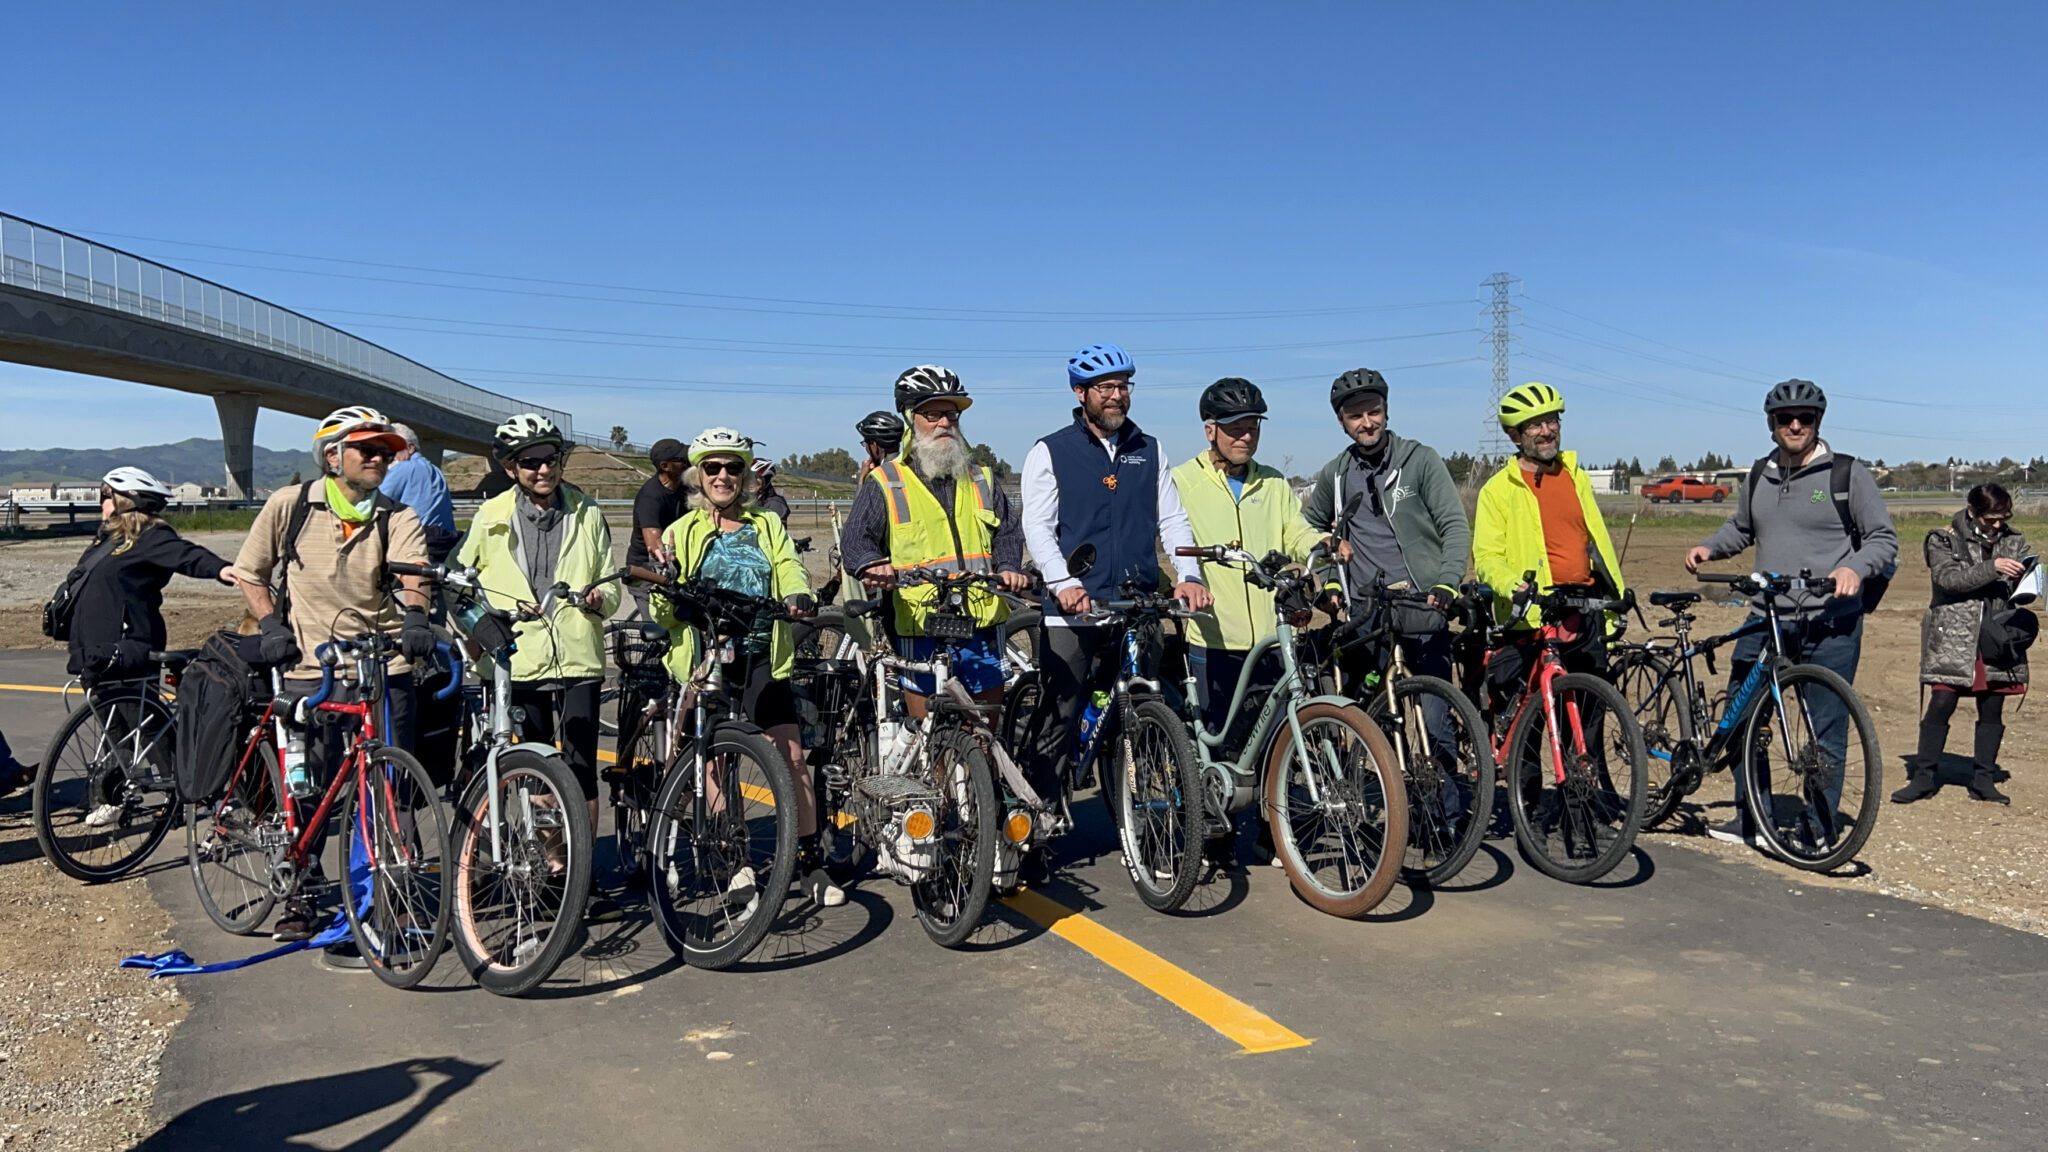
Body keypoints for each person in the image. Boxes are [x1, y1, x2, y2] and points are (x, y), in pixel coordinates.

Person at [234, 406, 433, 949]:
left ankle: (389, 898)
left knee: (390, 786)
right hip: (308, 667)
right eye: (367, 449)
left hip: (381, 666)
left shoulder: (398, 516)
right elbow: (250, 571)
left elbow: (415, 573)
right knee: (307, 788)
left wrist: (416, 616)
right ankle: (298, 889)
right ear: (332, 455)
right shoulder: (290, 505)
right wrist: (270, 624)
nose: (379, 459)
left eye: (386, 452)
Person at [1685, 378, 1897, 843]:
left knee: (1824, 729)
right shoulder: (1760, 474)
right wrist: (1710, 547)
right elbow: (1742, 528)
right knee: (1741, 716)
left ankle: (1818, 828)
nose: (1795, 425)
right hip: (1766, 617)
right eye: (1786, 418)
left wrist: (1854, 568)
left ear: (1818, 422)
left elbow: (1883, 539)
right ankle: (1752, 817)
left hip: (1829, 621)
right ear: (1772, 424)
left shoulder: (1846, 474)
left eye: (1805, 418)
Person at [1022, 343, 1211, 839]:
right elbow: (1037, 528)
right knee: (1060, 717)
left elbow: (1172, 520)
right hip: (1075, 611)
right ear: (1080, 393)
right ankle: (1035, 824)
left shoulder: (1149, 449)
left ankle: (1142, 814)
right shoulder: (1050, 451)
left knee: (1143, 708)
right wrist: (1063, 583)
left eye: (1123, 386)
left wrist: (1189, 576)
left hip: (1136, 605)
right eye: (1105, 387)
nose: (1116, 395)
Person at [651, 428, 837, 906]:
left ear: (745, 477)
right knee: (713, 762)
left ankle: (811, 863)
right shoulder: (681, 531)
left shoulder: (766, 524)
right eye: (712, 467)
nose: (723, 476)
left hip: (761, 656)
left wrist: (798, 593)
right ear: (698, 475)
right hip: (707, 659)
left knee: (791, 756)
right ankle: (735, 861)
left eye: (733, 468)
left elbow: (788, 566)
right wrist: (670, 595)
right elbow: (661, 609)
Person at [453, 414, 623, 919]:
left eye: (550, 458)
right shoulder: (491, 515)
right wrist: (481, 629)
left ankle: (576, 875)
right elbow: (460, 587)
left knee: (580, 771)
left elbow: (612, 583)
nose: (543, 469)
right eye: (530, 461)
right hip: (517, 660)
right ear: (511, 468)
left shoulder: (587, 511)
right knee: (531, 772)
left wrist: (601, 598)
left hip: (577, 657)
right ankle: (540, 868)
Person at [842, 366, 1029, 717]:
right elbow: (856, 537)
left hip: (983, 622)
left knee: (985, 734)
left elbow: (1007, 530)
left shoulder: (982, 477)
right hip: (920, 623)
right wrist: (871, 563)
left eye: (951, 414)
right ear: (910, 418)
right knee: (928, 733)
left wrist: (1008, 567)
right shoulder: (887, 480)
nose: (945, 422)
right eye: (933, 414)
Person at [1304, 367, 1472, 700]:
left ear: (1386, 411)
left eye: (1374, 412)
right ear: (1341, 421)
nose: (1367, 423)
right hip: (1365, 610)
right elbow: (1310, 530)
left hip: (1422, 602)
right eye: (1355, 416)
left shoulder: (1420, 460)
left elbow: (1453, 523)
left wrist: (1446, 582)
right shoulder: (1336, 473)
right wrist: (1332, 580)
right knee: (1370, 714)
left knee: (1436, 716)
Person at [1170, 378, 1323, 732]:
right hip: (1215, 638)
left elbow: (1296, 531)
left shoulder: (1273, 482)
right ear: (1210, 431)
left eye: (1253, 428)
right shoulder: (1181, 481)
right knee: (1219, 741)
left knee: (1276, 740)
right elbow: (1163, 536)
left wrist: (1321, 543)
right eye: (1235, 429)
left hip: (1273, 637)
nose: (1246, 437)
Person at [1471, 383, 1628, 705]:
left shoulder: (1576, 477)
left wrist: (1616, 596)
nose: (1546, 431)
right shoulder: (1497, 490)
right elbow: (1486, 557)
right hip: (1532, 613)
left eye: (1551, 421)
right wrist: (1513, 586)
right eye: (1534, 425)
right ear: (1515, 436)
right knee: (1530, 718)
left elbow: (1597, 545)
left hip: (1584, 610)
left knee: (1588, 718)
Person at [1894, 484, 2025, 805]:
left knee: (1993, 704)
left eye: (2003, 518)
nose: (1998, 525)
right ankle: (1923, 777)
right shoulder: (1942, 539)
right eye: (1991, 519)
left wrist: (2027, 581)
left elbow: (2017, 591)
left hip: (1997, 633)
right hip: (1954, 634)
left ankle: (1984, 780)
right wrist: (1993, 567)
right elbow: (1948, 580)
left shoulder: (2014, 540)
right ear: (1972, 511)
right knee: (1942, 701)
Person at [63, 468, 242, 685]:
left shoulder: (150, 538)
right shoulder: (109, 541)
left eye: (106, 496)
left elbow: (185, 554)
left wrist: (220, 568)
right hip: (93, 649)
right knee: (104, 706)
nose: (101, 503)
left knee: (132, 706)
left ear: (125, 502)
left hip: (125, 646)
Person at [627, 438, 690, 619]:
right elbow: (655, 547)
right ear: (665, 466)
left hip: (675, 568)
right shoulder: (651, 497)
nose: (688, 463)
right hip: (646, 572)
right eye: (683, 460)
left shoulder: (684, 488)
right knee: (658, 627)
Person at [379, 424, 459, 562]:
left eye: (393, 448)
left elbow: (375, 501)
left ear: (410, 448)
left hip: (416, 542)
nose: (387, 454)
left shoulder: (404, 468)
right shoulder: (436, 471)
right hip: (443, 544)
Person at [854, 410, 905, 486]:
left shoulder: (876, 479)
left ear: (875, 445)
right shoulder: (911, 468)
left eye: (865, 444)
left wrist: (862, 478)